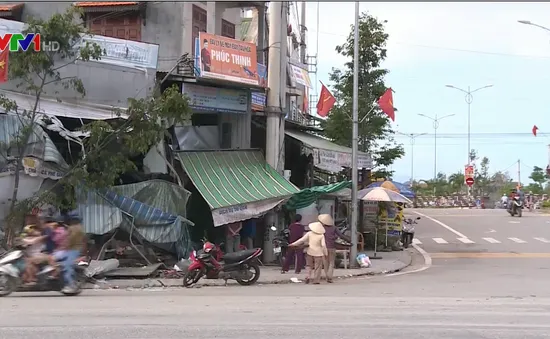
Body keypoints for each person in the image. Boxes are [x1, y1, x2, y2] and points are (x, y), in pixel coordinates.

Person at [55, 214, 87, 293]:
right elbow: (84, 241)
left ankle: (71, 285)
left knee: (67, 266)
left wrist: (63, 248)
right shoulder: (81, 228)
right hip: (76, 250)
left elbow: (69, 241)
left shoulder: (73, 229)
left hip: (72, 250)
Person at [318, 214, 351, 283]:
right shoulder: (334, 228)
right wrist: (349, 241)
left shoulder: (321, 228)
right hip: (332, 247)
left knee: (325, 262)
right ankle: (330, 277)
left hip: (323, 247)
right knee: (331, 262)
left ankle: (327, 276)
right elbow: (341, 235)